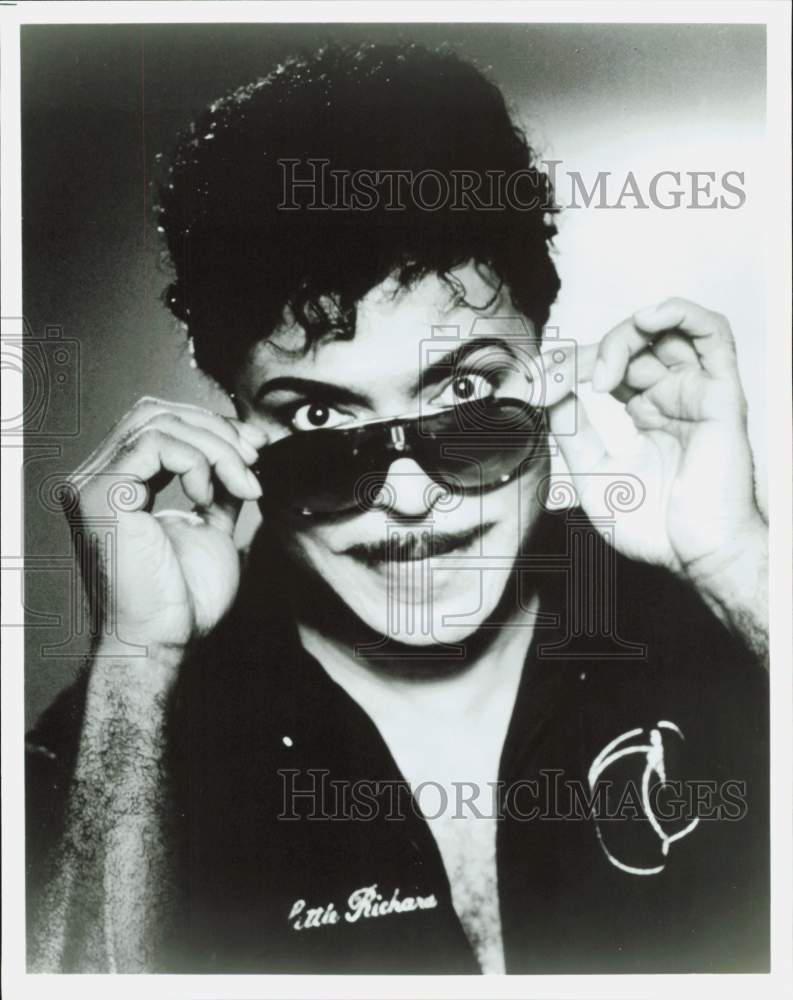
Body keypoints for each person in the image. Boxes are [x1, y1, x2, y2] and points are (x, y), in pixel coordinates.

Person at [26, 42, 768, 975]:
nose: (409, 498)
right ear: (237, 433)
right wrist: (139, 662)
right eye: (325, 420)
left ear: (548, 371)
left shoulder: (709, 629)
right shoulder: (128, 727)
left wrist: (735, 565)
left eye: (462, 398)